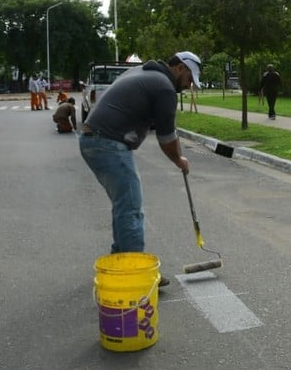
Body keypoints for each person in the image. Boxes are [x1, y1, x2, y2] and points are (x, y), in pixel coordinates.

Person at [79, 51, 202, 287]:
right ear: (179, 68)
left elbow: (166, 130)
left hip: (94, 139)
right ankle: (136, 276)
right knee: (131, 208)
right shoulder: (164, 87)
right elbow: (167, 137)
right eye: (188, 79)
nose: (188, 86)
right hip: (107, 143)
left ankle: (120, 263)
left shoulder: (143, 73)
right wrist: (179, 160)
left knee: (124, 205)